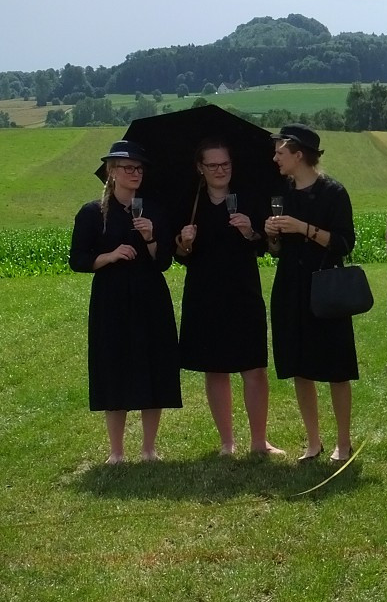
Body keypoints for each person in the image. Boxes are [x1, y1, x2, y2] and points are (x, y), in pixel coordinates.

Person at [68, 140, 181, 464]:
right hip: (111, 298)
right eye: (128, 168)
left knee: (153, 365)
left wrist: (150, 238)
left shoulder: (155, 210)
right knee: (112, 366)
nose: (135, 173)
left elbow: (164, 263)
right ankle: (116, 451)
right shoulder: (92, 213)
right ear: (111, 172)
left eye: (139, 168)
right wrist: (110, 255)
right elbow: (77, 259)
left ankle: (149, 448)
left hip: (149, 296)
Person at [176, 139, 284, 456]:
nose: (221, 170)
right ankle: (227, 442)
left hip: (242, 290)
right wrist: (185, 242)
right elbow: (180, 255)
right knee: (216, 367)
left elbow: (265, 245)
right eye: (213, 165)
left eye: (226, 164)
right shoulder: (189, 202)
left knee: (254, 367)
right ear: (200, 168)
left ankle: (258, 441)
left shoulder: (249, 197)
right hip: (204, 293)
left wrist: (249, 232)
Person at [264, 124, 357, 463]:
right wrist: (271, 234)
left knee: (336, 368)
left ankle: (343, 443)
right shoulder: (280, 192)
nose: (275, 158)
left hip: (326, 288)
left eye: (280, 152)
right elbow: (273, 250)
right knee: (299, 366)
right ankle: (313, 442)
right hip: (290, 286)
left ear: (298, 154)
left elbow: (345, 243)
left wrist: (303, 228)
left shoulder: (334, 192)